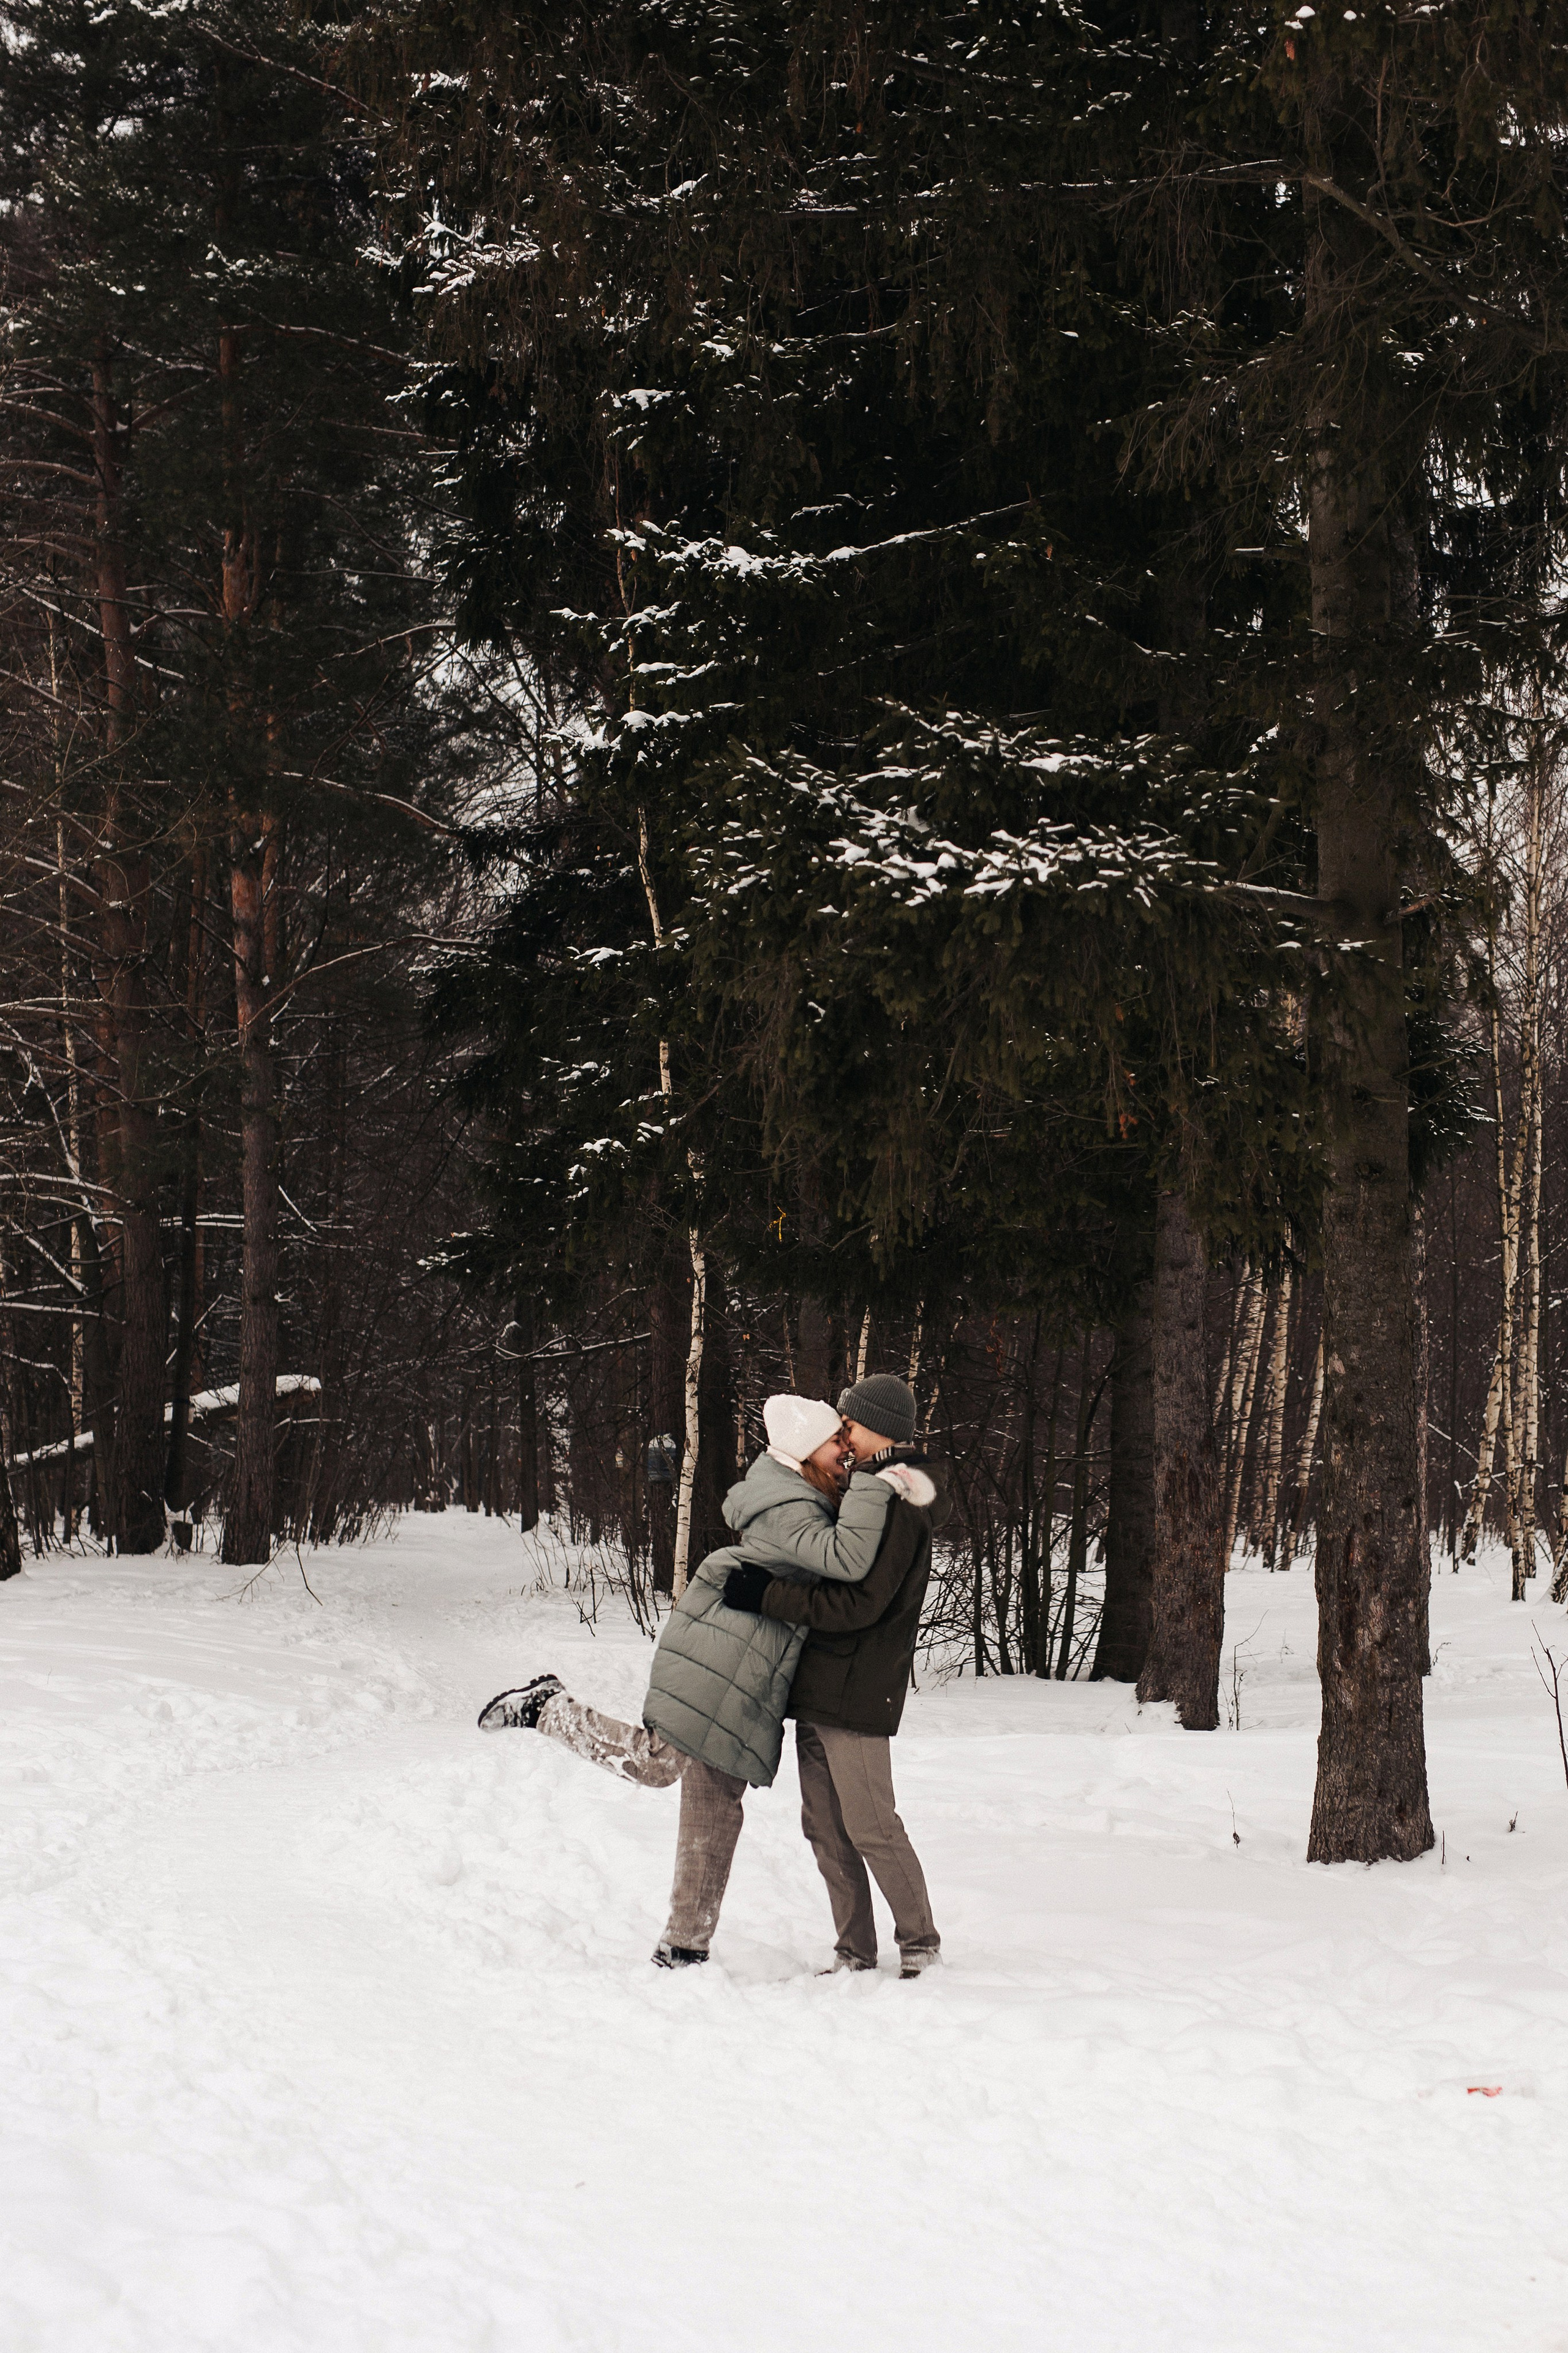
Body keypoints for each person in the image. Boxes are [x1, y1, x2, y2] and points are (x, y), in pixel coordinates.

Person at [476, 1394, 931, 1968]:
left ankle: (686, 1942)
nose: (844, 1446)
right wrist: (876, 1477)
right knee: (659, 1761)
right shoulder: (789, 1501)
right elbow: (844, 1561)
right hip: (727, 1652)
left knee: (714, 1798)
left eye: (849, 1435)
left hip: (751, 1662)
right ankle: (550, 1709)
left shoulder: (811, 1490)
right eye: (835, 1438)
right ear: (803, 1450)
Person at [722, 1372, 944, 1979]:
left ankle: (920, 1942)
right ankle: (854, 1952)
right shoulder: (866, 1486)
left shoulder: (901, 1494)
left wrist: (770, 1595)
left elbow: (862, 1605)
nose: (841, 1432)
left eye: (849, 1421)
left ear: (879, 1427)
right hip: (821, 1681)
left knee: (871, 1823)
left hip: (859, 1683)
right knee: (823, 1825)